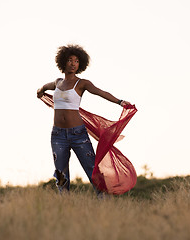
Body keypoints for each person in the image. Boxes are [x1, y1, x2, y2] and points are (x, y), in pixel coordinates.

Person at [36, 44, 130, 194]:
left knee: (92, 169)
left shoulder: (82, 83)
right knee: (61, 173)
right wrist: (40, 90)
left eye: (76, 61)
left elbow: (101, 92)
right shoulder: (58, 82)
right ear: (63, 62)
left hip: (78, 134)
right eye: (70, 60)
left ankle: (104, 201)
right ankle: (64, 203)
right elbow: (45, 87)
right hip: (58, 135)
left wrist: (119, 102)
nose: (73, 63)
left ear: (80, 65)